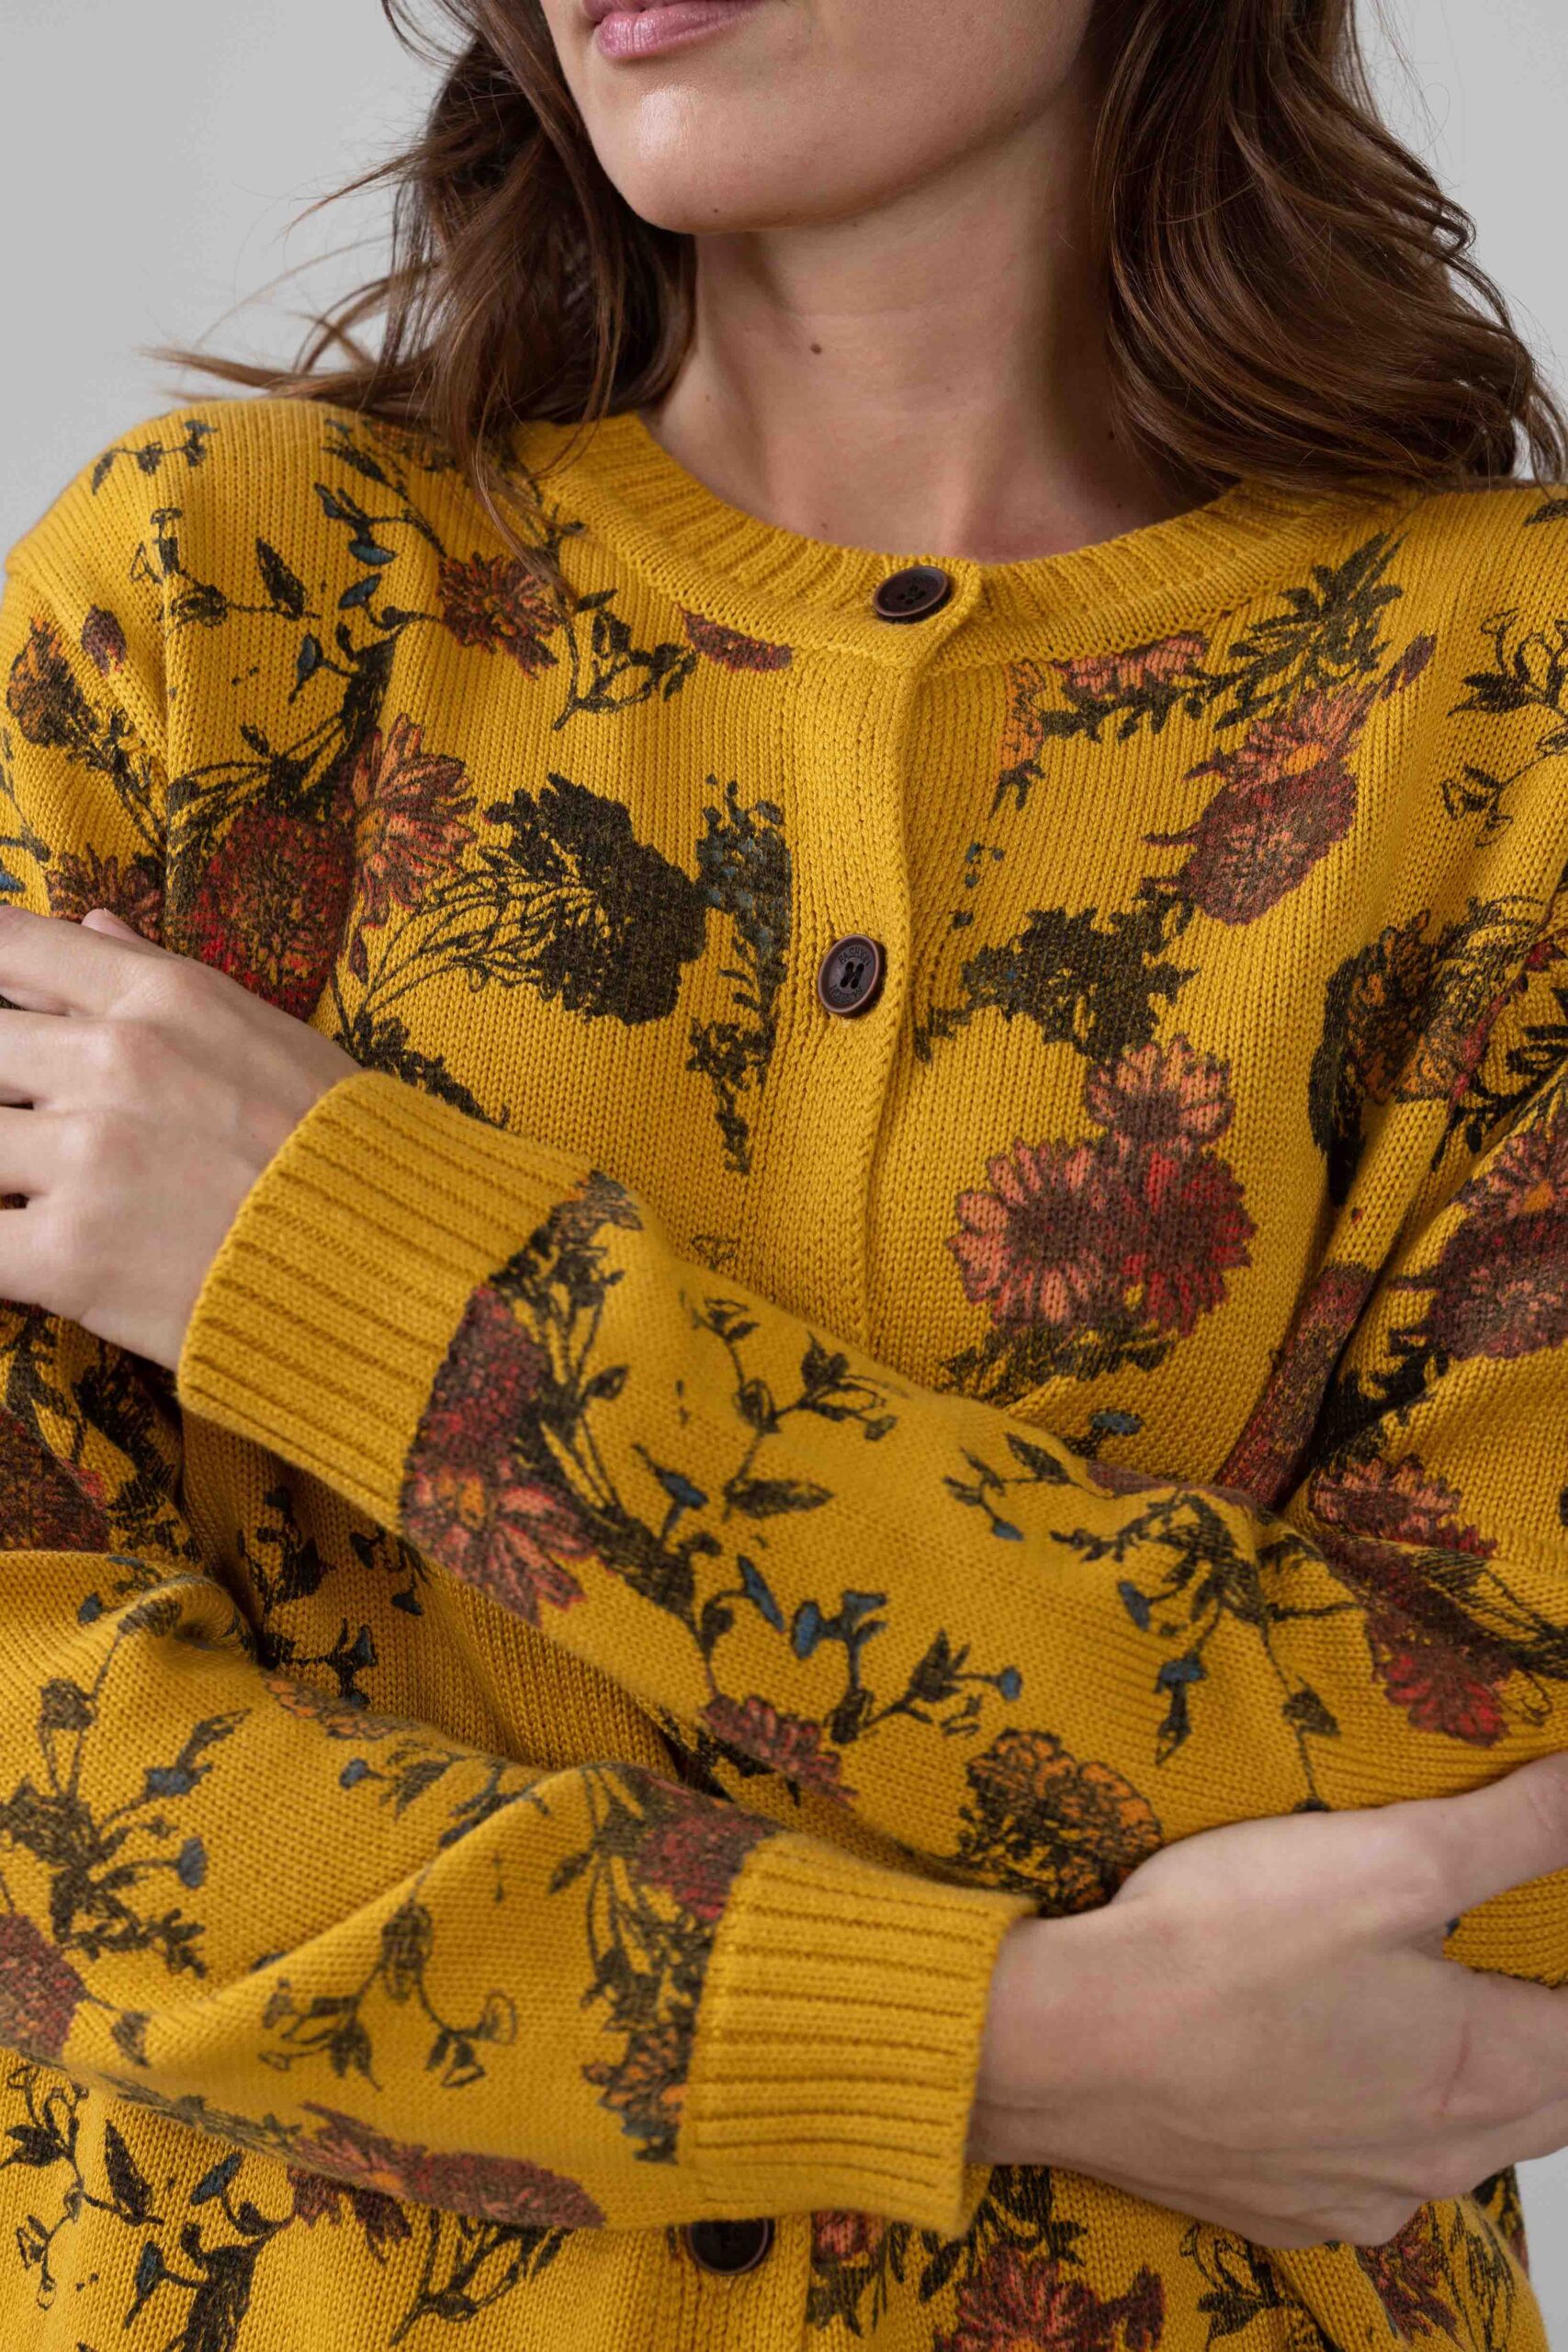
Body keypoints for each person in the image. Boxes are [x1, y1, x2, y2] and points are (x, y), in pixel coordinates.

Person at [1, 0, 1566, 2346]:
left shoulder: (1515, 712)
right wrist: (998, 2041)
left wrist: (378, 1280)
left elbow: (1494, 1861)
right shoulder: (226, 611)